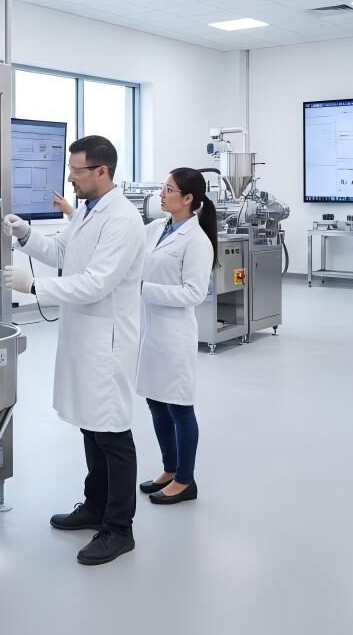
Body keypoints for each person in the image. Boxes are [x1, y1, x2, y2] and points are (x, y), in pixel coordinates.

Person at [3, 135, 144, 566]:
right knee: (90, 425)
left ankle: (119, 528)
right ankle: (95, 505)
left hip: (107, 341)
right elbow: (63, 250)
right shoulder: (88, 210)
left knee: (112, 431)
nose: (70, 178)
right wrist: (27, 235)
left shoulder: (122, 219)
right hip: (84, 334)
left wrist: (34, 287)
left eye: (76, 170)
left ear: (102, 171)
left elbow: (97, 282)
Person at [136, 167, 217, 505]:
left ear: (188, 199)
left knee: (179, 407)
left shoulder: (197, 242)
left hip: (174, 335)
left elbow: (194, 293)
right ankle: (170, 469)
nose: (162, 193)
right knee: (156, 401)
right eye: (163, 187)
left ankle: (186, 480)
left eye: (169, 189)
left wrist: (144, 289)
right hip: (150, 330)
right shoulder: (157, 228)